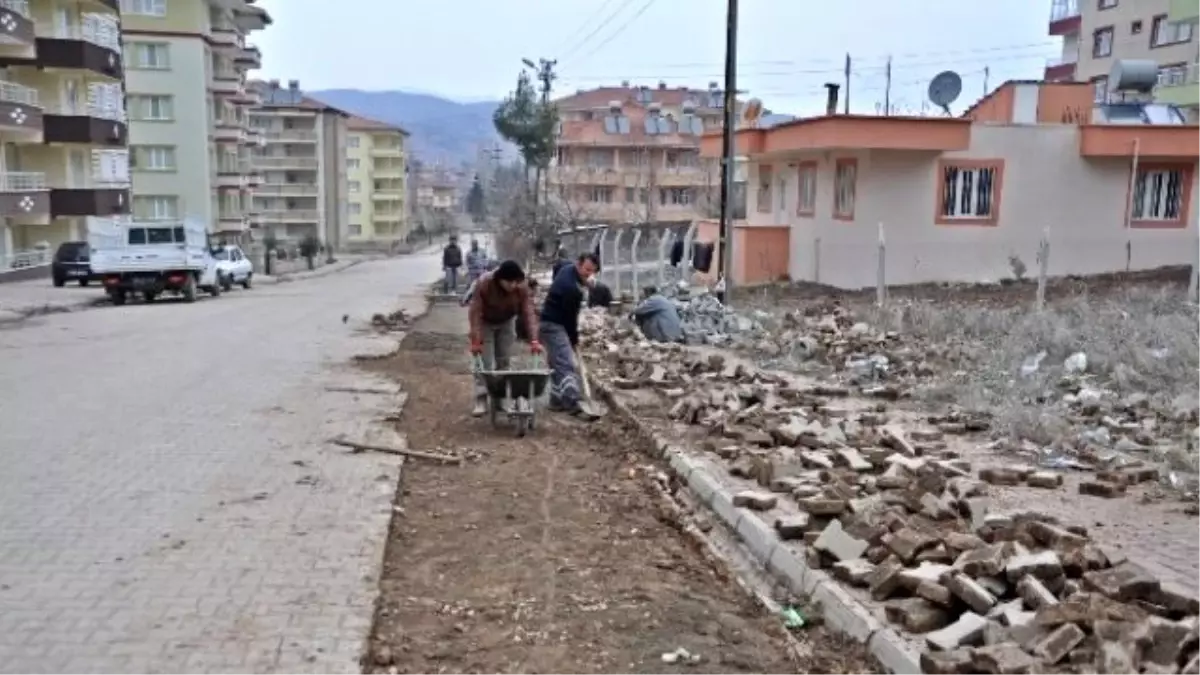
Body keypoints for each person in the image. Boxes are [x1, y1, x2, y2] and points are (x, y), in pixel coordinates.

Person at [468, 260, 541, 417]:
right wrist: (476, 340)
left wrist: (534, 339)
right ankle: (481, 397)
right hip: (485, 322)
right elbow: (475, 313)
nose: (513, 285)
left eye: (516, 281)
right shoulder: (484, 284)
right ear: (500, 279)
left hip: (507, 322)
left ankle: (499, 400)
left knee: (504, 361)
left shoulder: (521, 288)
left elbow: (528, 313)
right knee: (485, 363)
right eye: (509, 282)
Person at [538, 252, 600, 417]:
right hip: (554, 324)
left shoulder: (567, 269)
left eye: (593, 271)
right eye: (587, 270)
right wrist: (574, 340)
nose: (590, 275)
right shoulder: (572, 289)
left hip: (547, 321)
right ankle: (572, 401)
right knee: (566, 362)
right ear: (578, 265)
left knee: (556, 361)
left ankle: (556, 400)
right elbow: (570, 319)